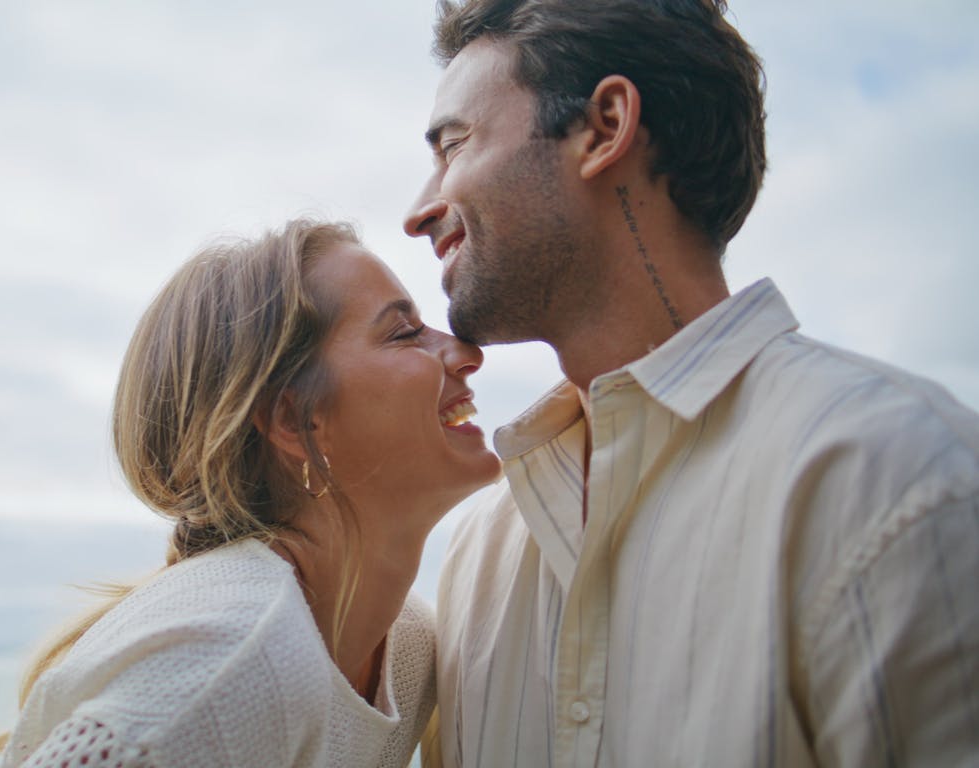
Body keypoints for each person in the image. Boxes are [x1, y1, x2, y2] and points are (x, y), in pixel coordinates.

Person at [401, 1, 979, 766]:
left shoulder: (893, 478)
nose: (418, 211)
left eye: (452, 146)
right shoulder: (480, 554)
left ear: (604, 127)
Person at [0, 219, 502, 768]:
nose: (464, 351)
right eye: (404, 333)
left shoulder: (405, 649)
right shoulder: (227, 665)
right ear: (295, 419)